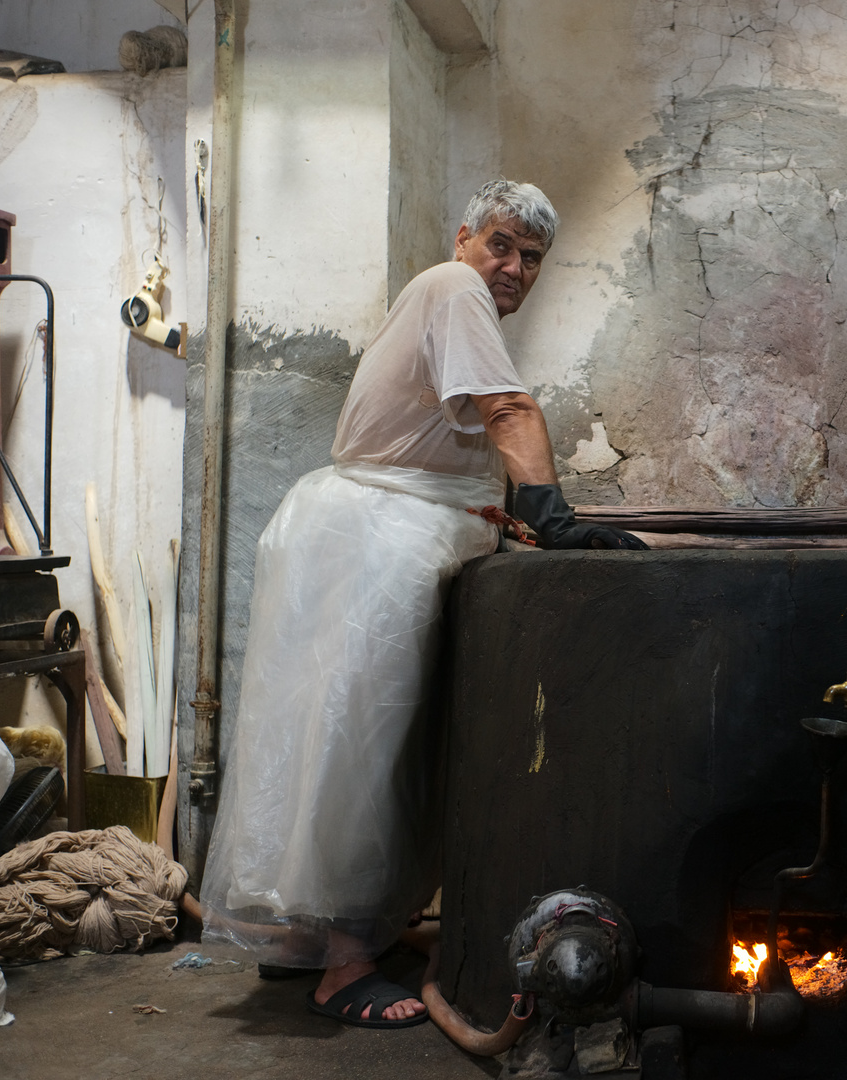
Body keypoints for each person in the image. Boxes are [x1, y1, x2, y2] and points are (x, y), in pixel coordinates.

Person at [198, 181, 645, 1028]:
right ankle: (346, 967)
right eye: (503, 245)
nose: (514, 268)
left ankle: (304, 943)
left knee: (336, 741)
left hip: (364, 535)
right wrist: (553, 516)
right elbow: (507, 407)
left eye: (533, 258)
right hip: (376, 544)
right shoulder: (453, 287)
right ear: (465, 237)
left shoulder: (451, 298)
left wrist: (506, 516)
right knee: (368, 753)